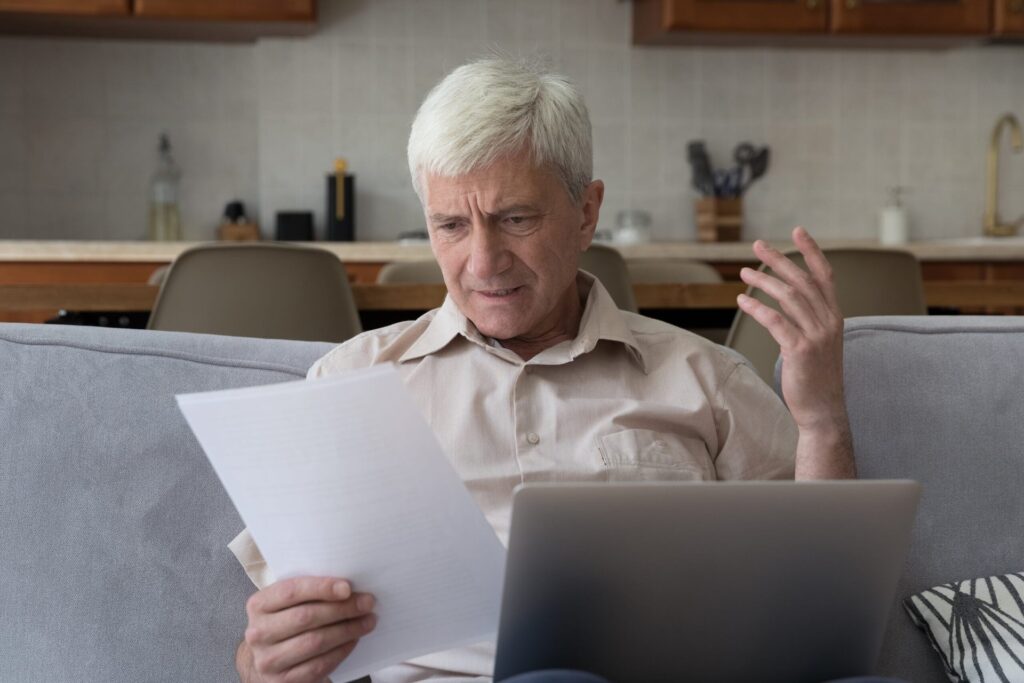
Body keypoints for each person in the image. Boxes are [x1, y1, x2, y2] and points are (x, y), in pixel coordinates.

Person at [231, 57, 863, 683]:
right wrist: (269, 666)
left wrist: (821, 418)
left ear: (587, 212)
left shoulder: (705, 377)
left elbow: (821, 618)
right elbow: (266, 655)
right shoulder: (353, 382)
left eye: (515, 219)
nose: (483, 262)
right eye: (451, 225)